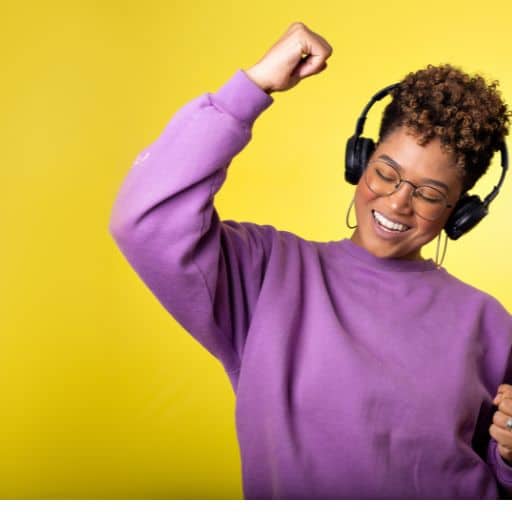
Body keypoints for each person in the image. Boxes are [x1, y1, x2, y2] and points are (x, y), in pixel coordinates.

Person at [108, 22, 512, 499]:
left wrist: (507, 459)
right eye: (386, 173)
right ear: (359, 161)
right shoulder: (266, 272)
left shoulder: (490, 322)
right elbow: (146, 220)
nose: (398, 203)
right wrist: (252, 88)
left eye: (429, 193)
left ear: (460, 212)